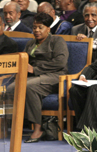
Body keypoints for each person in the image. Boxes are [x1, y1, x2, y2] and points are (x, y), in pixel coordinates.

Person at [6, 12, 68, 143]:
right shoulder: (30, 43)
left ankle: (38, 128)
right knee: (11, 87)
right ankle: (15, 125)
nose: (37, 30)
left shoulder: (57, 41)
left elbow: (60, 63)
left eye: (40, 27)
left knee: (28, 87)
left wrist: (35, 69)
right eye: (34, 27)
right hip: (34, 77)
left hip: (55, 76)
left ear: (48, 29)